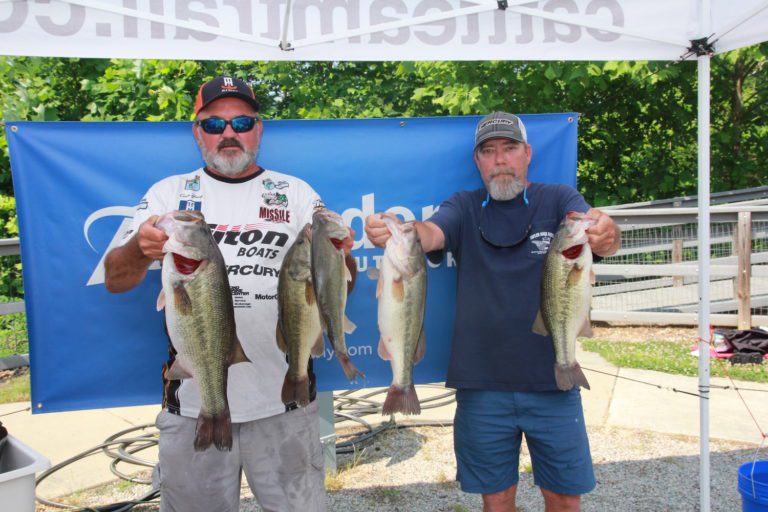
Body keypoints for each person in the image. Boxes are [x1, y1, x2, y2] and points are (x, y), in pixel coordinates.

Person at [105, 75, 355, 512]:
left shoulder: (296, 193)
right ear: (196, 132)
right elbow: (115, 278)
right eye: (214, 124)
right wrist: (137, 249)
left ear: (259, 129)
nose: (228, 134)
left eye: (241, 122)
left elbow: (340, 279)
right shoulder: (168, 194)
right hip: (193, 406)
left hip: (284, 402)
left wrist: (340, 253)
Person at [364, 111, 620, 512]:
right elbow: (431, 233)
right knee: (497, 500)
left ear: (527, 153)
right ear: (478, 161)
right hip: (481, 387)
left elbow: (600, 234)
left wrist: (606, 232)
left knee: (565, 499)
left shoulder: (558, 199)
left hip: (553, 381)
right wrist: (405, 230)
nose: (500, 159)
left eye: (509, 148)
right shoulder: (464, 206)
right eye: (489, 151)